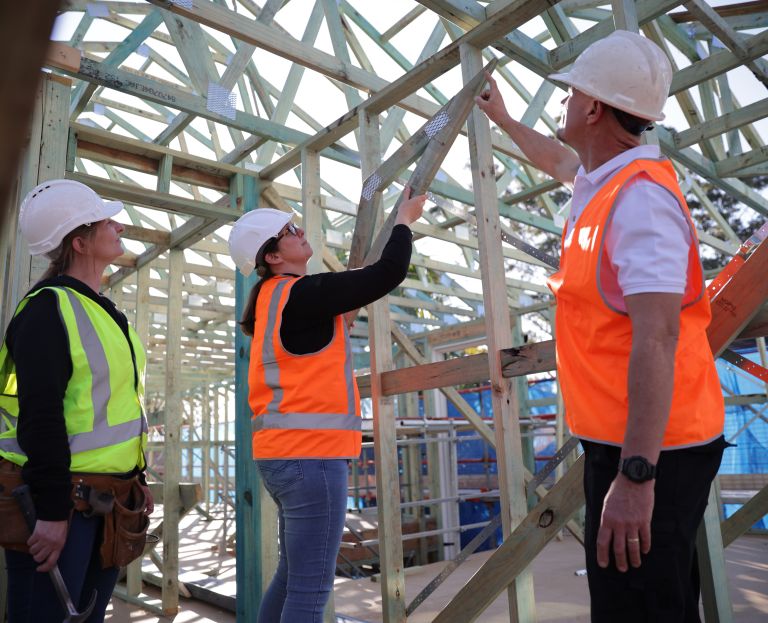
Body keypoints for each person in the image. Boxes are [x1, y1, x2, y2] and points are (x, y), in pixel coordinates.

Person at [476, 30, 727, 622]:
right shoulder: (603, 182)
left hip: (656, 449)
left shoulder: (640, 201)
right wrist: (505, 120)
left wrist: (637, 476)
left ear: (592, 108)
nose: (562, 105)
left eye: (570, 95)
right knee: (647, 598)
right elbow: (560, 160)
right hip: (626, 439)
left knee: (638, 608)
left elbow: (658, 335)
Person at [228, 187, 426, 623]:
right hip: (311, 456)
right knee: (311, 589)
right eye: (289, 231)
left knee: (292, 577)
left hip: (282, 458)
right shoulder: (301, 294)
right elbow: (388, 272)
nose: (300, 232)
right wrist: (405, 220)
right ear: (274, 257)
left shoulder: (270, 300)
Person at [0, 179, 153, 623]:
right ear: (81, 242)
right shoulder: (46, 311)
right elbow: (39, 416)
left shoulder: (107, 312)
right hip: (60, 504)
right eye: (108, 221)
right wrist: (50, 512)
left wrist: (135, 478)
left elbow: (114, 406)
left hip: (107, 504)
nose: (119, 226)